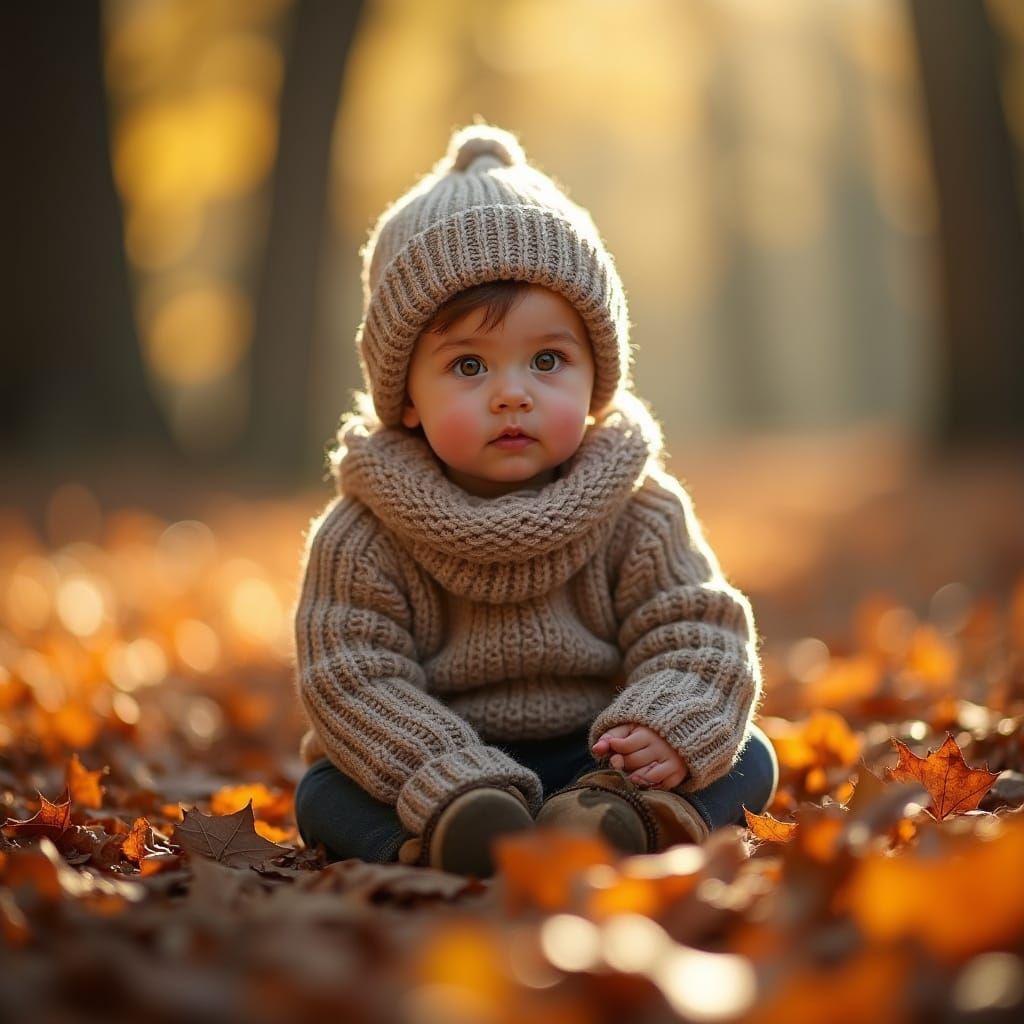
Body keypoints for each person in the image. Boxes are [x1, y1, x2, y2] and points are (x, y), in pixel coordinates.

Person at [292, 123, 778, 877]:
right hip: (434, 761)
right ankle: (447, 834)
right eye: (469, 365)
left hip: (599, 753)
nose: (512, 393)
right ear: (406, 396)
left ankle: (625, 816)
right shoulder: (364, 532)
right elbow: (352, 676)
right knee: (324, 789)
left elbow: (697, 629)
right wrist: (444, 774)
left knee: (747, 752)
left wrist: (662, 728)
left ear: (596, 379)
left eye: (548, 360)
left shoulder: (638, 508)